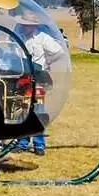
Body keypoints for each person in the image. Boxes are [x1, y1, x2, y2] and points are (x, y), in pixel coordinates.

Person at [13, 19, 66, 155]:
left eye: (29, 25)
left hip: (38, 78)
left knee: (38, 110)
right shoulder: (17, 37)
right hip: (23, 77)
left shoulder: (43, 38)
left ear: (35, 26)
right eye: (25, 25)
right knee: (21, 109)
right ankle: (22, 142)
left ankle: (39, 144)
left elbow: (59, 52)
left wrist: (48, 62)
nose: (27, 27)